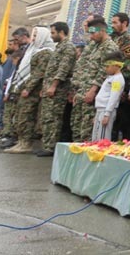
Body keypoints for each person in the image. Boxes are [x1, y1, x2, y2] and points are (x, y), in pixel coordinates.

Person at [6, 26, 55, 153]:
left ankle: (26, 143)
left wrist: (28, 88)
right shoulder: (33, 50)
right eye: (33, 35)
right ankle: (21, 141)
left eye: (35, 36)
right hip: (24, 87)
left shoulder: (46, 52)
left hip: (32, 90)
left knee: (26, 117)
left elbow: (38, 73)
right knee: (20, 115)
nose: (33, 38)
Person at [37, 22, 77, 157]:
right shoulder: (59, 47)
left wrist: (53, 86)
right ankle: (46, 144)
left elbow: (63, 70)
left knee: (53, 118)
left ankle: (51, 147)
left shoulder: (68, 47)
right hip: (49, 88)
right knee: (46, 117)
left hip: (58, 90)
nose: (51, 36)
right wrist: (45, 87)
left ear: (61, 32)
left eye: (53, 33)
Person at [111, 12, 130, 140]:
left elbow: (126, 66)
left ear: (124, 23)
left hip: (118, 84)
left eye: (115, 22)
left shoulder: (129, 41)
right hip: (107, 82)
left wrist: (119, 88)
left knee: (115, 121)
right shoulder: (112, 38)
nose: (112, 25)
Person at [92, 51, 127, 141]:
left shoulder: (117, 79)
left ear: (116, 65)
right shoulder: (110, 77)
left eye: (107, 66)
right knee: (96, 136)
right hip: (101, 109)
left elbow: (113, 97)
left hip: (106, 110)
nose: (105, 69)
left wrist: (107, 114)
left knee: (102, 137)